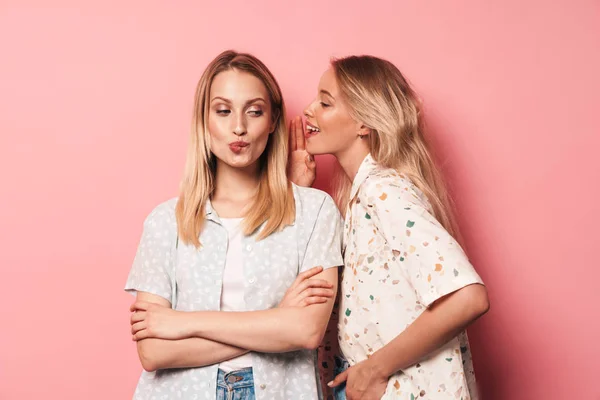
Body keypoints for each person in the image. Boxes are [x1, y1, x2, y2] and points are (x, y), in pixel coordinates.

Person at [125, 50, 343, 400]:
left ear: (272, 120)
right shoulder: (165, 221)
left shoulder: (314, 211)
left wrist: (184, 323)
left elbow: (305, 331)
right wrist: (275, 322)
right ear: (204, 118)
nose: (238, 127)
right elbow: (153, 352)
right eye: (223, 111)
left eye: (254, 111)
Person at [289, 55, 490, 399]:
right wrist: (301, 195)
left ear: (364, 123)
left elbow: (468, 297)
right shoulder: (357, 199)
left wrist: (373, 369)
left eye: (325, 102)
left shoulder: (383, 190)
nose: (308, 110)